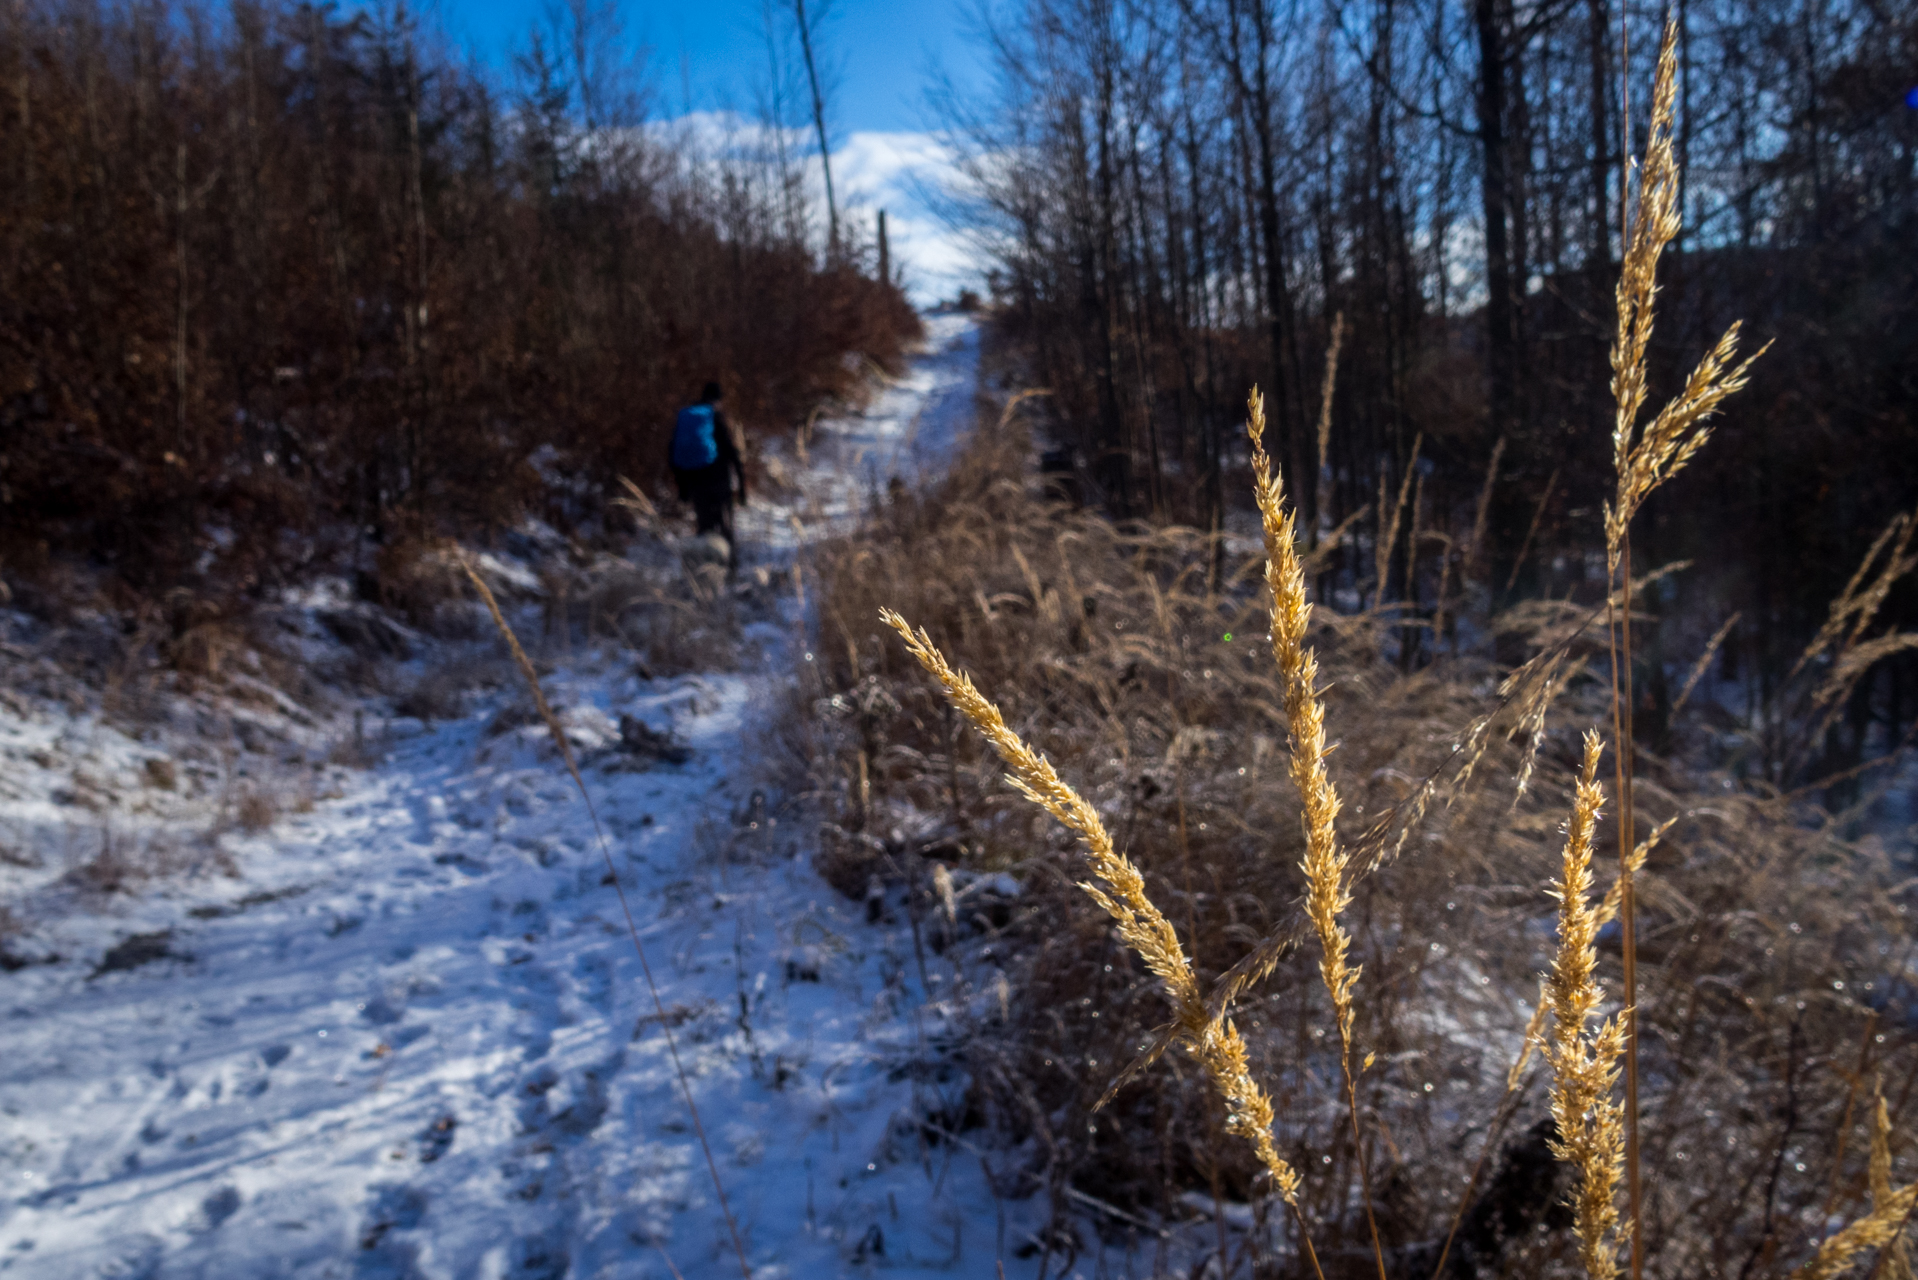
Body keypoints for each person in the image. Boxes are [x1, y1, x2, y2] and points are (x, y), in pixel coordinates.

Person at [668, 380, 748, 575]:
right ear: (718, 399)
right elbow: (732, 454)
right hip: (719, 480)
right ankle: (729, 571)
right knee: (725, 525)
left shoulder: (686, 417)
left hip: (696, 482)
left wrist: (683, 488)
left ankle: (704, 572)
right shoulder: (715, 418)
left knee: (705, 526)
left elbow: (672, 453)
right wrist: (742, 486)